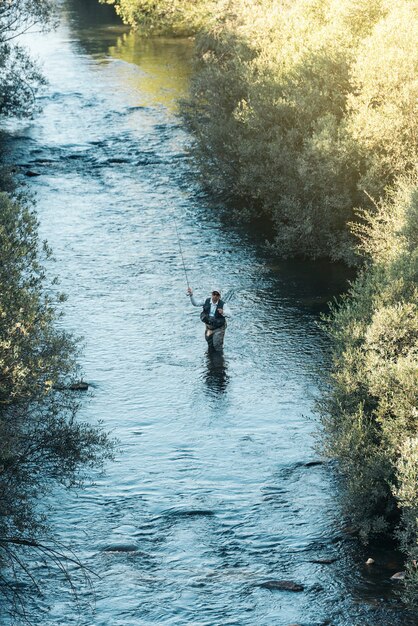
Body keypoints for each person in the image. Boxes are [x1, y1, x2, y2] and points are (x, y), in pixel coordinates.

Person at [187, 287, 231, 351]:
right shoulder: (206, 301)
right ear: (211, 294)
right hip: (209, 328)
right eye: (214, 294)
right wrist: (191, 295)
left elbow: (230, 314)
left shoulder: (223, 305)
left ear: (219, 296)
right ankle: (210, 358)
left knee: (217, 345)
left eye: (217, 295)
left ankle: (219, 359)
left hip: (219, 328)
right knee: (209, 344)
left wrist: (223, 312)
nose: (215, 296)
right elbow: (195, 303)